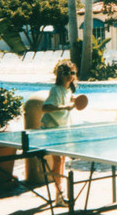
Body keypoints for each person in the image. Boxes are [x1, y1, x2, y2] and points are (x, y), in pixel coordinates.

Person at [41, 60, 78, 207]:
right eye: (67, 73)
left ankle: (59, 193)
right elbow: (45, 107)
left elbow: (69, 104)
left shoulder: (69, 90)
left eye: (73, 73)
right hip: (51, 129)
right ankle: (59, 195)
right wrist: (65, 106)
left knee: (62, 160)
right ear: (60, 75)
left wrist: (73, 101)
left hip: (62, 129)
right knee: (57, 161)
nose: (70, 75)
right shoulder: (55, 90)